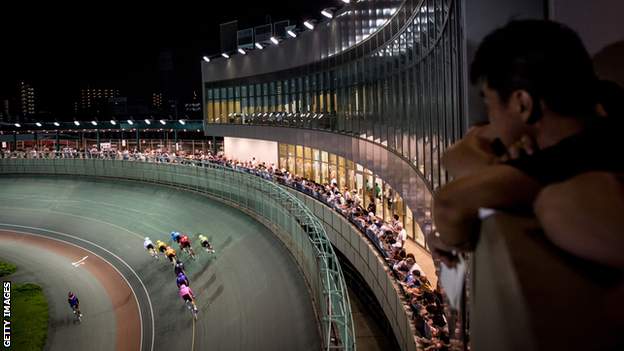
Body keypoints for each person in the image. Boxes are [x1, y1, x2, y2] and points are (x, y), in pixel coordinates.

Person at [431, 20, 623, 261]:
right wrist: (496, 171)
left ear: (522, 103)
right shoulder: (605, 102)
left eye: (489, 104)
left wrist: (499, 179)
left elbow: (449, 205)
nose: (490, 118)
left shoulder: (574, 158)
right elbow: (459, 151)